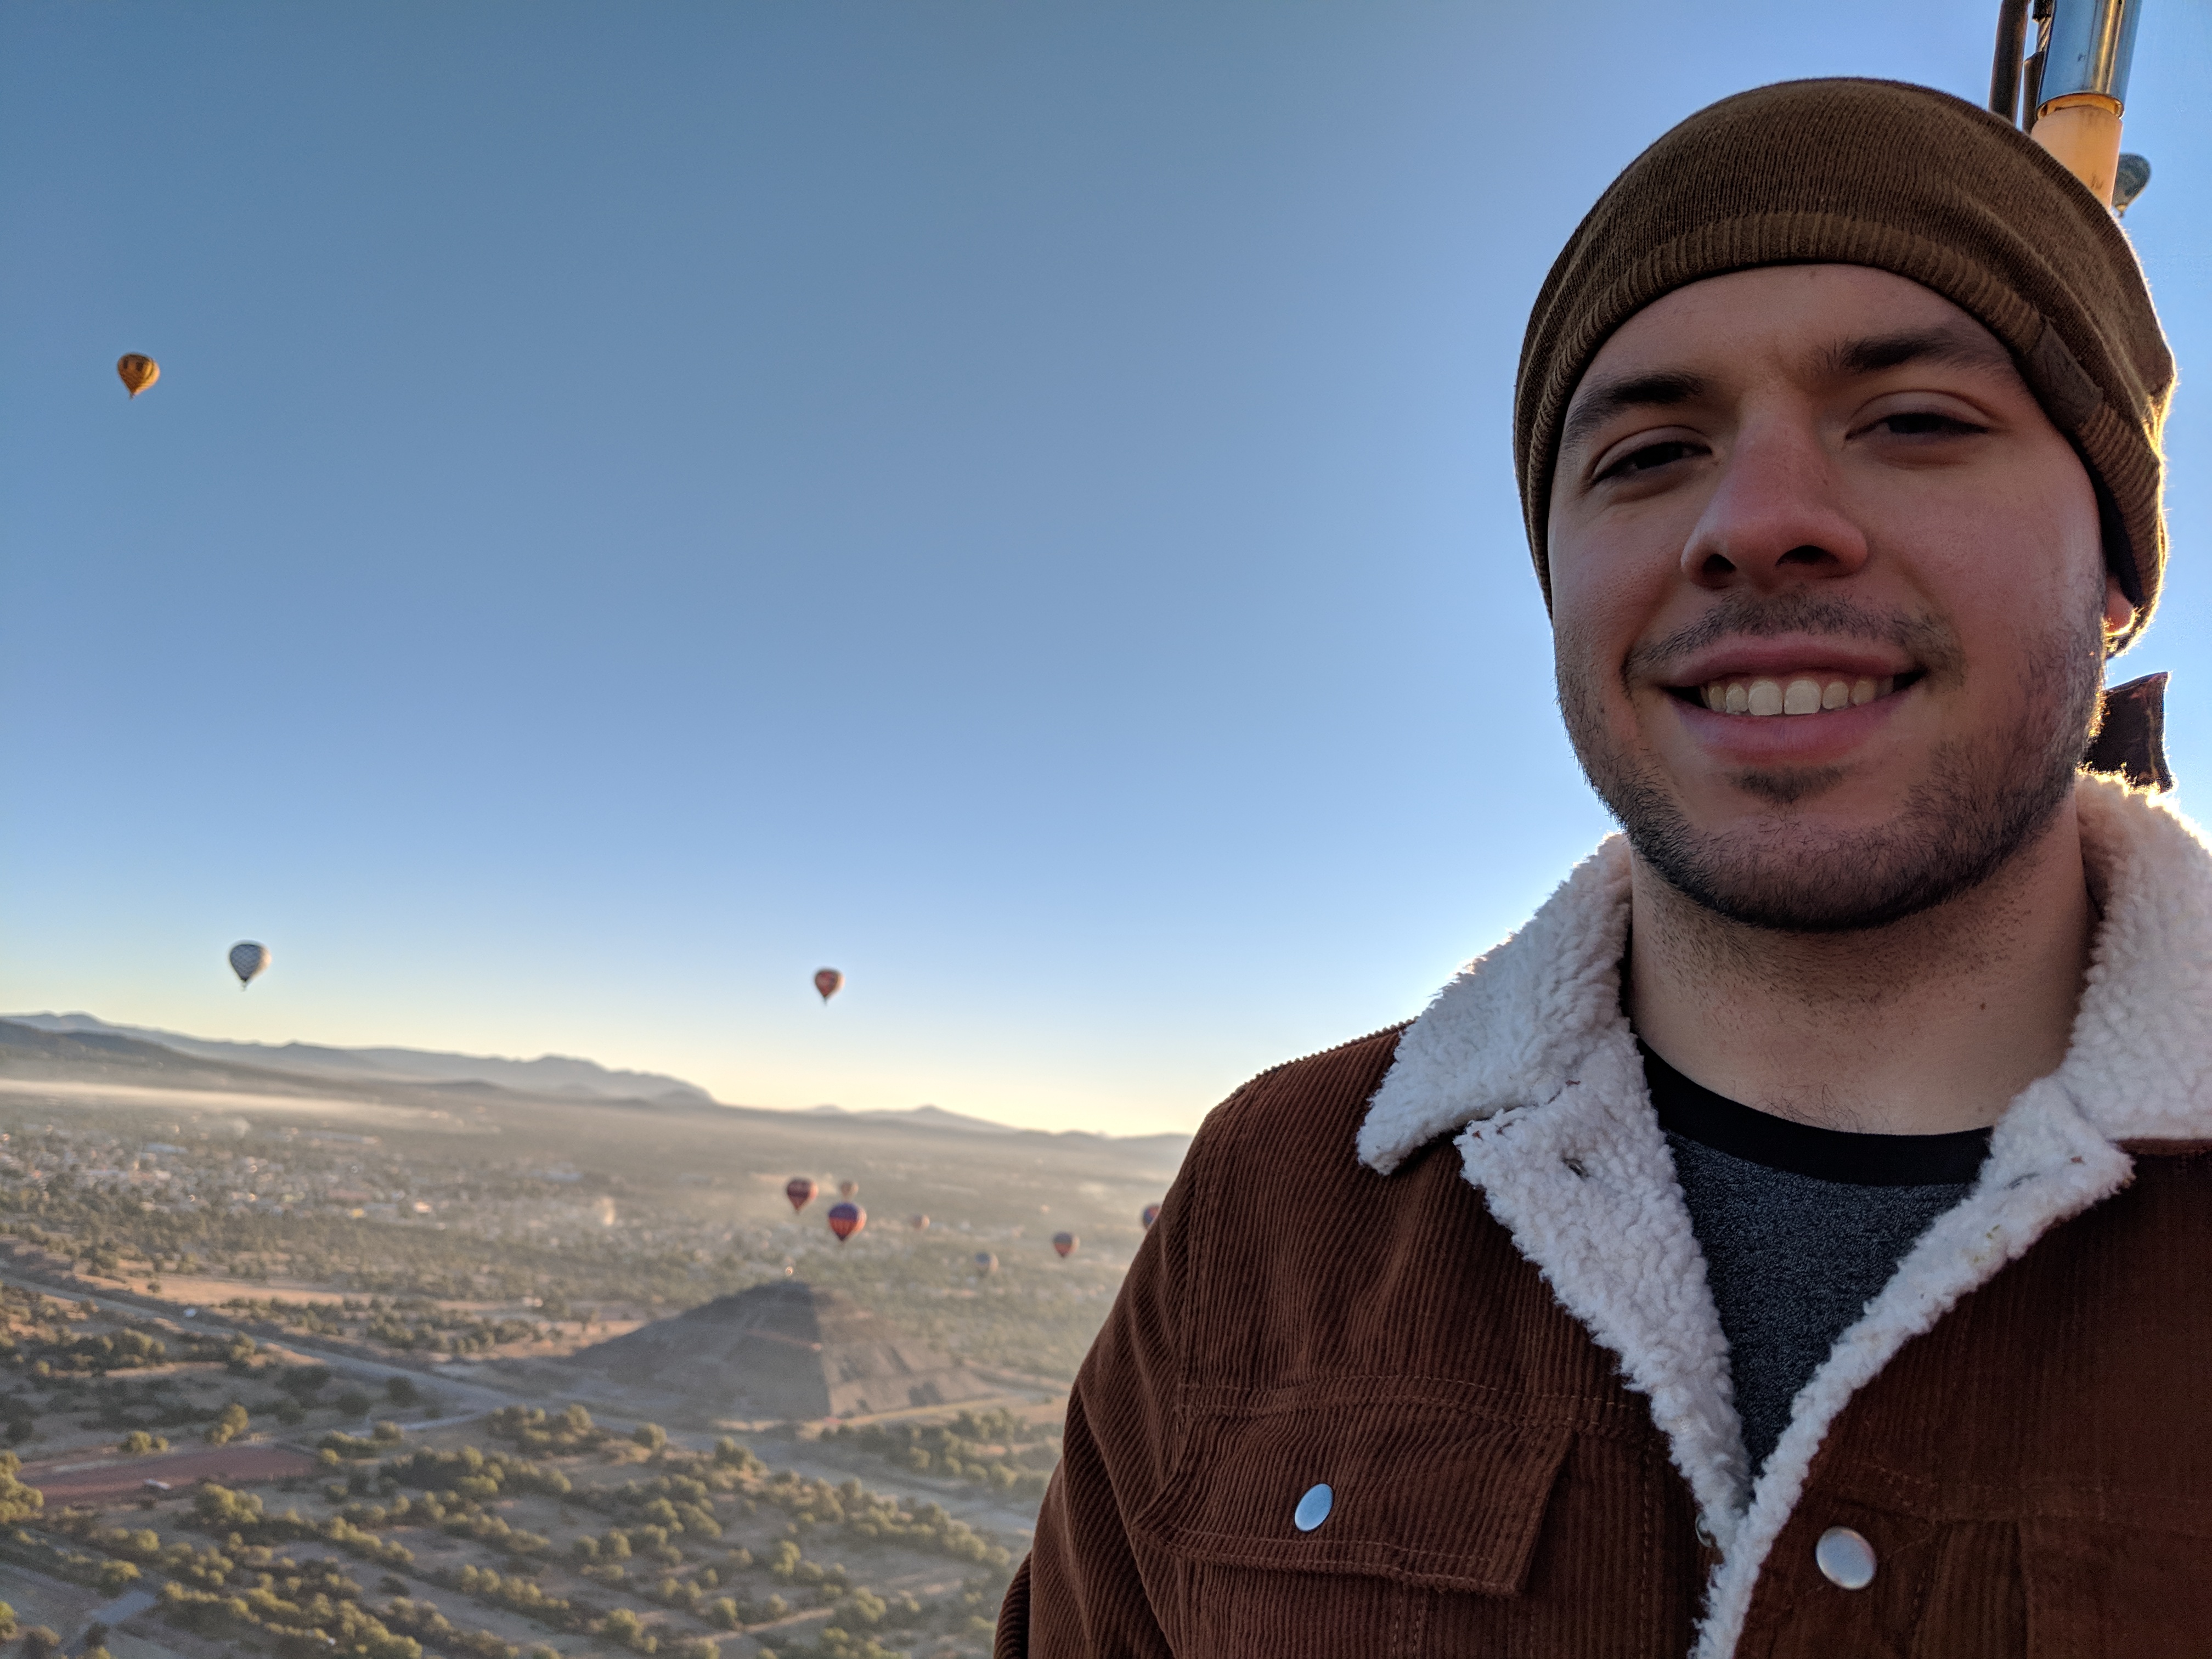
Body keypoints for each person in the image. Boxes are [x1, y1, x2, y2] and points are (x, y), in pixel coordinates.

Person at [997, 79, 2205, 1657]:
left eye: (1916, 422)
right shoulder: (1280, 1195)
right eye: (1646, 454)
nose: (1758, 521)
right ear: (1558, 582)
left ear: (2117, 571)